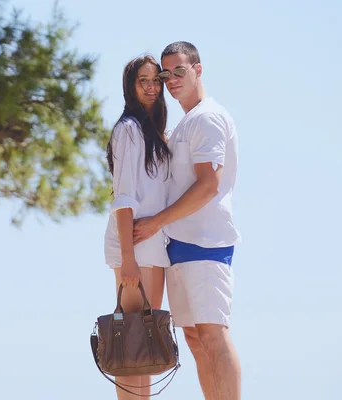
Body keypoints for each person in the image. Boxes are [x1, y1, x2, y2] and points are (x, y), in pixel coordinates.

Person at [133, 41, 242, 400]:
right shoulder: (185, 124)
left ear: (198, 69)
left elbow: (208, 185)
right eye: (166, 74)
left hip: (207, 243)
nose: (171, 80)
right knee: (195, 338)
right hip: (179, 246)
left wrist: (154, 222)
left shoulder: (208, 117)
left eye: (179, 71)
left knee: (213, 333)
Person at [103, 54, 172, 399]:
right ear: (130, 87)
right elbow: (124, 197)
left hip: (153, 245)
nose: (150, 87)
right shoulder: (128, 130)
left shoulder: (152, 132)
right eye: (142, 80)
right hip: (133, 246)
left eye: (155, 80)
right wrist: (127, 258)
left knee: (146, 344)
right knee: (131, 346)